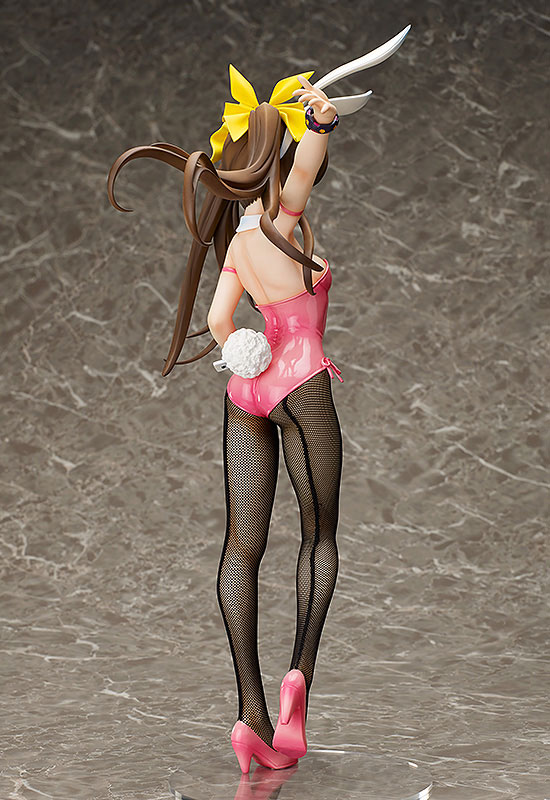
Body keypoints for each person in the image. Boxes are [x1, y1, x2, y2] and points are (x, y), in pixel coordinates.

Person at [107, 27, 410, 775]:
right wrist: (321, 124)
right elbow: (305, 169)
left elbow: (220, 321)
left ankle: (250, 714)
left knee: (241, 547)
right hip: (303, 383)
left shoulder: (240, 242)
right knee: (318, 538)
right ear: (270, 160)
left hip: (248, 389)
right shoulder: (283, 219)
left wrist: (245, 351)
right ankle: (298, 673)